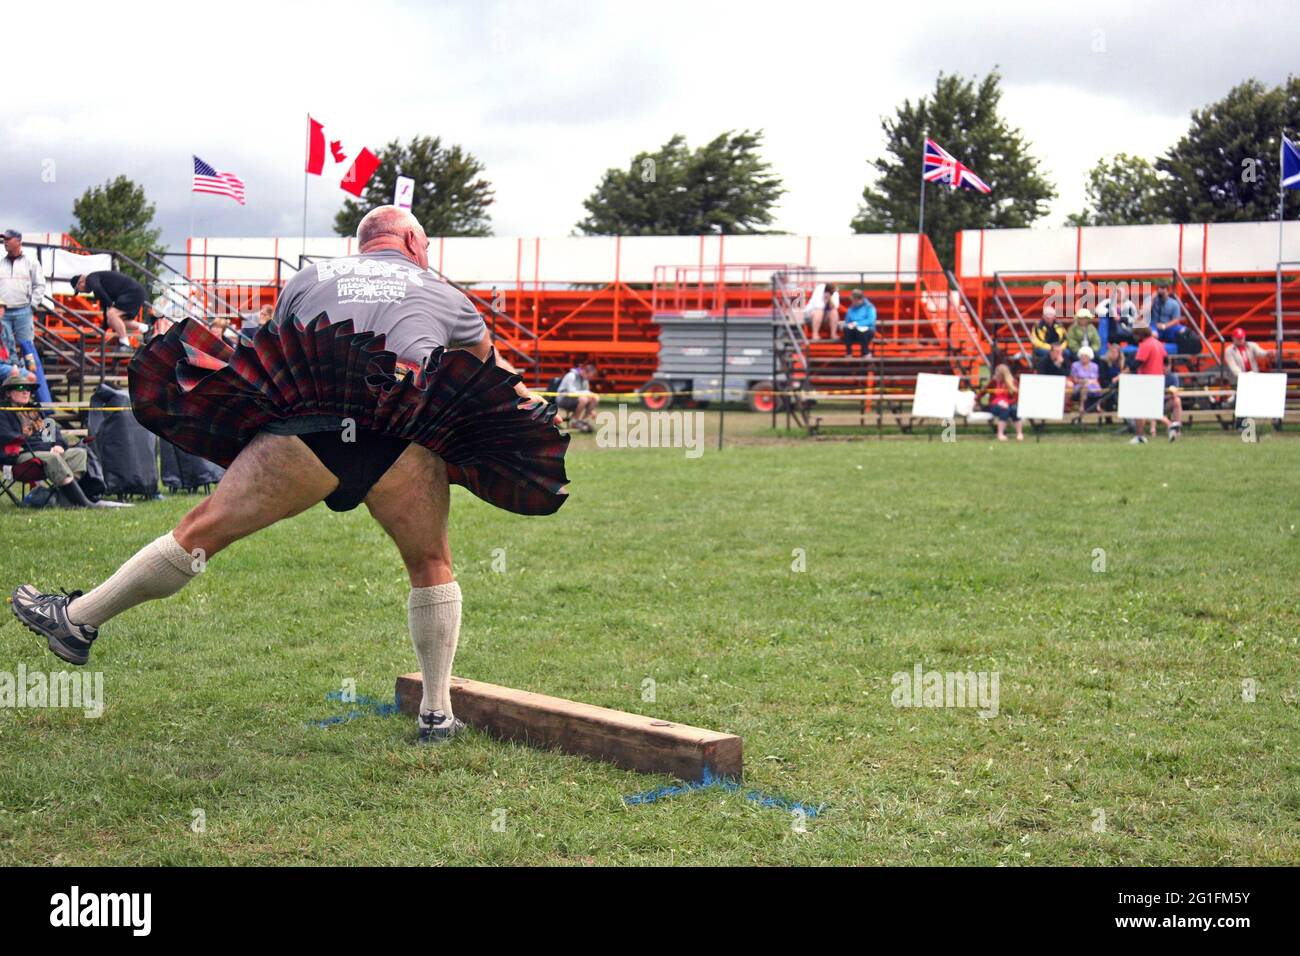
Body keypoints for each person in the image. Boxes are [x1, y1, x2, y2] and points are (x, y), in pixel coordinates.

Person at [13, 206, 569, 746]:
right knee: (430, 563)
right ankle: (437, 715)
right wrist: (540, 413)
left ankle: (80, 620)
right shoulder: (446, 293)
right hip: (401, 441)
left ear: (363, 244)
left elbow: (278, 359)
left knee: (197, 534)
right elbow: (485, 375)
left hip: (309, 431)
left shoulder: (309, 278)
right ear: (414, 244)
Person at [0, 369, 102, 507]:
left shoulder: (35, 411)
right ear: (8, 393)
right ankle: (84, 503)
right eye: (20, 388)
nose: (25, 392)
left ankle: (63, 500)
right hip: (19, 456)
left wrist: (58, 445)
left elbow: (53, 432)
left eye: (28, 389)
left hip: (44, 454)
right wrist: (47, 449)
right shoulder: (4, 412)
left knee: (78, 453)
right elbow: (7, 436)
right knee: (52, 458)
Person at [0, 229, 54, 403]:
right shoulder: (1, 263)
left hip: (23, 309)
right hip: (3, 310)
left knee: (28, 350)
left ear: (18, 240)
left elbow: (40, 285)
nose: (5, 242)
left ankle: (38, 397)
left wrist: (32, 305)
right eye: (4, 239)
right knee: (6, 346)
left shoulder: (31, 261)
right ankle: (13, 389)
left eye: (8, 239)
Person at [1127, 317, 1182, 443]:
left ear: (1139, 334)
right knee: (1146, 409)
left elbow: (1138, 363)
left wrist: (1125, 371)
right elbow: (1166, 360)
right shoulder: (1158, 343)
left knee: (1143, 409)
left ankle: (1168, 425)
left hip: (1146, 380)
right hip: (1158, 380)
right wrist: (1163, 370)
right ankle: (1140, 436)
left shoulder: (1145, 345)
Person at [69, 270, 148, 350]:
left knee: (112, 314)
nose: (82, 292)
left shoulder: (91, 278)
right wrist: (102, 328)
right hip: (135, 292)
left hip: (132, 292)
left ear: (80, 282)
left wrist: (110, 304)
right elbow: (105, 307)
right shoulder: (98, 286)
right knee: (111, 321)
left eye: (79, 290)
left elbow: (97, 288)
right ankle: (146, 328)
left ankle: (125, 344)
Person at [976, 363, 1023, 441]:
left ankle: (1019, 433)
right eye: (996, 374)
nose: (996, 376)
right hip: (995, 404)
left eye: (998, 375)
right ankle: (1000, 434)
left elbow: (1016, 397)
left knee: (1014, 410)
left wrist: (1008, 403)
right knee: (1004, 410)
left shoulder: (1013, 382)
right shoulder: (994, 382)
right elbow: (984, 391)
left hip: (1009, 403)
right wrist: (976, 399)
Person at [556, 359, 599, 432]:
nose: (589, 379)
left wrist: (591, 410)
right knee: (584, 399)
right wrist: (586, 393)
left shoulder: (585, 380)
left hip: (576, 399)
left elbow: (587, 394)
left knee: (595, 398)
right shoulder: (571, 375)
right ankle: (574, 421)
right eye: (589, 377)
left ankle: (583, 421)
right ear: (585, 371)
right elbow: (571, 392)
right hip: (563, 399)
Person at [1096, 283, 1137, 350]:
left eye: (1121, 293)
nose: (1119, 295)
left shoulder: (1129, 304)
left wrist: (1122, 318)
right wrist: (1112, 313)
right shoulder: (1108, 302)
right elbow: (1098, 309)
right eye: (1117, 292)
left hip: (1126, 330)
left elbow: (1135, 318)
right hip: (1111, 331)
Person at [1148, 283, 1184, 349]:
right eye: (1160, 292)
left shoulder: (1174, 303)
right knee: (1153, 334)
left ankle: (1179, 353)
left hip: (1167, 326)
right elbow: (1144, 313)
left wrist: (1165, 326)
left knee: (1183, 331)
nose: (1161, 295)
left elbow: (1176, 319)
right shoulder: (1153, 301)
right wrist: (1152, 299)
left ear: (1168, 292)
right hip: (1154, 326)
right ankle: (1155, 351)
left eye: (1163, 293)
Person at [842, 290, 877, 357]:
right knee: (846, 329)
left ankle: (865, 352)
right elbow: (847, 321)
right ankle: (848, 352)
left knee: (861, 332)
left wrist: (857, 324)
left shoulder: (869, 307)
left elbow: (871, 320)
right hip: (853, 330)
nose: (853, 302)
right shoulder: (851, 308)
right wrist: (847, 325)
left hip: (868, 330)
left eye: (854, 300)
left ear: (860, 299)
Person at [1068, 345, 1103, 412]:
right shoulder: (1075, 365)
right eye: (1082, 356)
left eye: (1085, 356)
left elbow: (1095, 379)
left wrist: (1090, 382)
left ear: (1089, 357)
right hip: (1079, 385)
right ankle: (1082, 405)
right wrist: (1083, 382)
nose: (1083, 358)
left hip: (1092, 384)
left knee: (1097, 386)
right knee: (1084, 387)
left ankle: (1098, 405)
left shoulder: (1095, 366)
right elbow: (1074, 379)